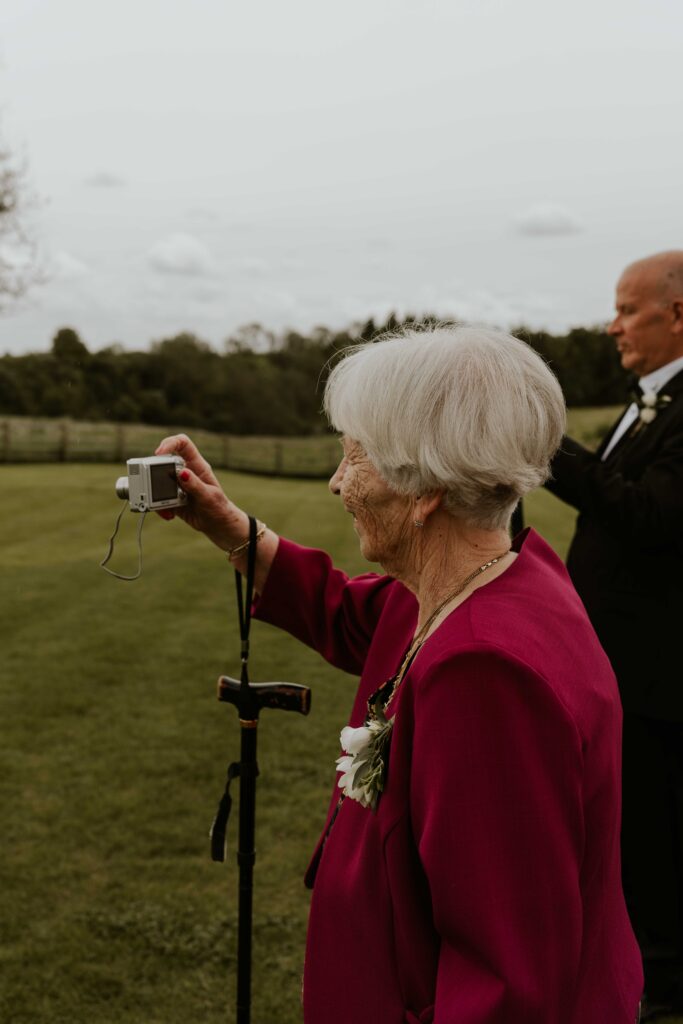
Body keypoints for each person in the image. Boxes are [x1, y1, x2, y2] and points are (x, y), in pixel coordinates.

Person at [156, 324, 643, 1023]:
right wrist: (231, 526)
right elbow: (354, 616)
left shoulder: (485, 673)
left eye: (355, 456)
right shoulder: (496, 580)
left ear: (426, 491)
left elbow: (503, 984)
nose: (335, 482)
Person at [545, 251, 683, 1019]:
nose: (613, 325)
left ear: (678, 314)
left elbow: (650, 517)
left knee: (654, 836)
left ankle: (658, 983)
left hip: (658, 670)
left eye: (627, 310)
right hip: (619, 661)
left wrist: (548, 446)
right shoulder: (648, 400)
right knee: (628, 830)